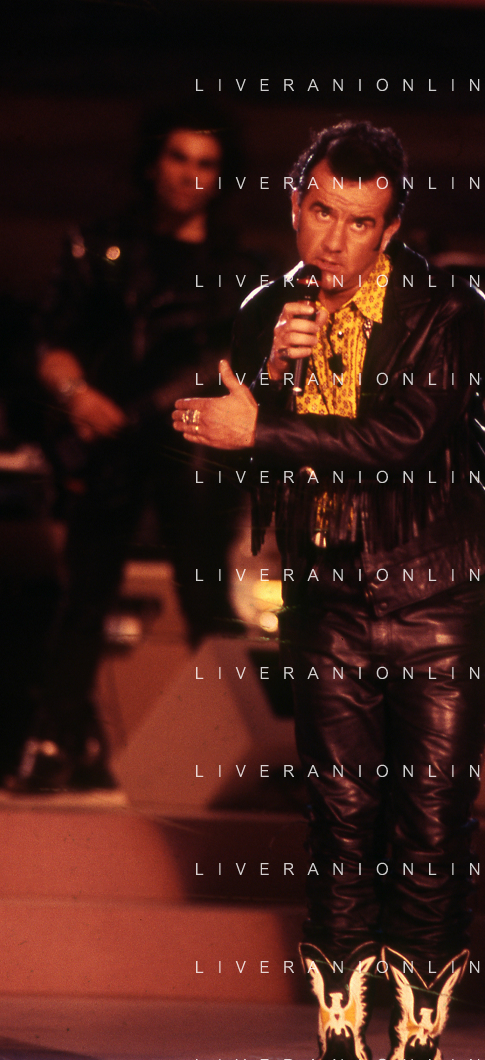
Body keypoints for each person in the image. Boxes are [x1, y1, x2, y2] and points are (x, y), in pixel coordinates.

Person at [173, 120, 485, 1060]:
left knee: (432, 828)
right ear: (295, 205)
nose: (334, 239)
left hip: (436, 597)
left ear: (391, 228)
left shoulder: (448, 312)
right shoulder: (261, 311)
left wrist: (263, 423)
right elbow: (229, 448)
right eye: (321, 211)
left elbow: (404, 438)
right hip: (326, 599)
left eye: (360, 222)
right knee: (339, 824)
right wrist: (264, 383)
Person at [9, 101, 263, 793]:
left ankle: (238, 747)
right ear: (154, 162)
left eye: (206, 164)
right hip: (107, 441)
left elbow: (239, 362)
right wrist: (76, 397)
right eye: (179, 157)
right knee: (84, 594)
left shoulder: (237, 269)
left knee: (205, 595)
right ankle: (57, 742)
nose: (190, 175)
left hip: (190, 447)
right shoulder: (99, 246)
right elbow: (49, 338)